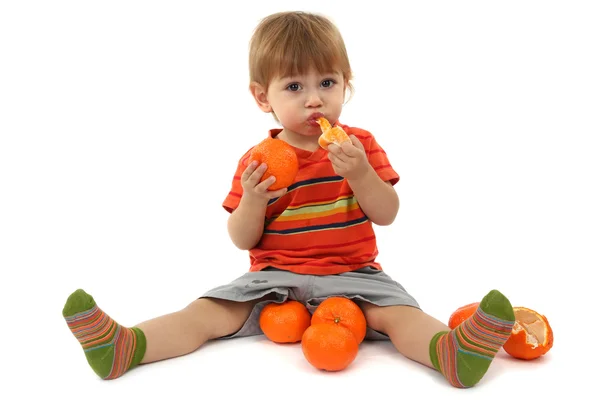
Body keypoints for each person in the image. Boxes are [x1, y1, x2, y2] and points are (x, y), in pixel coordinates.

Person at [63, 11, 515, 388]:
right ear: (263, 97)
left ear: (346, 85)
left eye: (327, 83)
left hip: (353, 275)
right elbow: (242, 238)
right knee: (204, 313)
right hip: (272, 280)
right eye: (294, 87)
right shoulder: (258, 160)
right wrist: (254, 200)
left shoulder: (361, 146)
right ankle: (126, 346)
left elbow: (387, 214)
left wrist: (359, 172)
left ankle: (450, 353)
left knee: (400, 316)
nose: (315, 100)